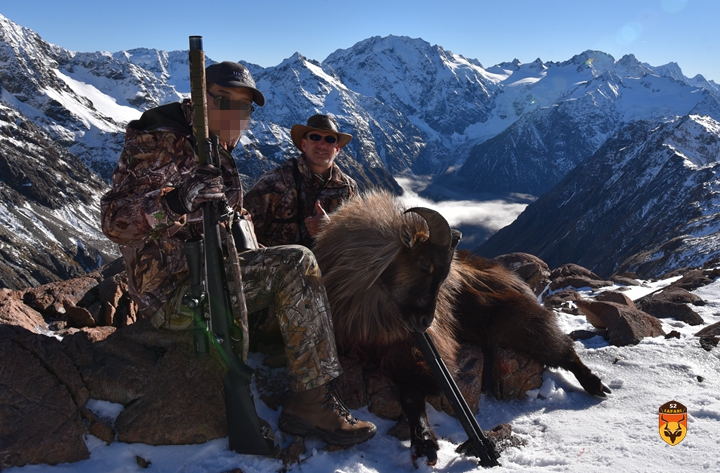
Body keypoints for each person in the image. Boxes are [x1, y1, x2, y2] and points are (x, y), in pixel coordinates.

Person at [100, 61, 376, 448]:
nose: (239, 115)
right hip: (178, 294)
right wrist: (179, 200)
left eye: (245, 107)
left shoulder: (215, 146)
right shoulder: (166, 141)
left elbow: (233, 221)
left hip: (214, 280)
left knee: (306, 275)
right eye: (227, 102)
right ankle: (311, 405)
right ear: (202, 99)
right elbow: (115, 222)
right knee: (298, 263)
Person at [243, 114, 358, 248]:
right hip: (279, 267)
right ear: (304, 144)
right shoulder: (273, 183)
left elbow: (356, 239)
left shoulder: (348, 188)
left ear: (337, 149)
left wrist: (329, 229)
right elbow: (245, 234)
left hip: (331, 267)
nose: (322, 144)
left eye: (329, 139)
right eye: (315, 137)